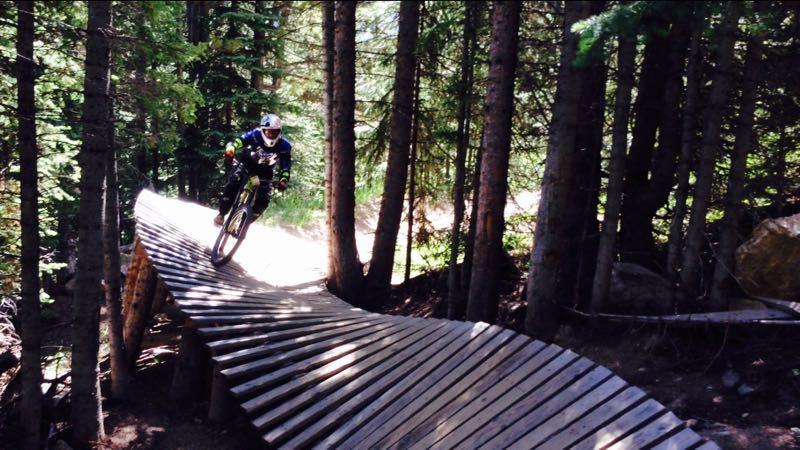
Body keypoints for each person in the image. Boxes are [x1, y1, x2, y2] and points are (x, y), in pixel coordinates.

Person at [213, 113, 291, 226]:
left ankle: (244, 224)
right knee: (233, 183)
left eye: (275, 132)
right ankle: (221, 214)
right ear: (263, 130)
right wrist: (231, 149)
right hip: (246, 165)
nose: (271, 134)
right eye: (269, 131)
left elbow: (286, 164)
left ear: (279, 131)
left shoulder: (285, 146)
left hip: (265, 173)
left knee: (263, 201)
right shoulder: (255, 134)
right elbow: (240, 141)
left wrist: (283, 180)